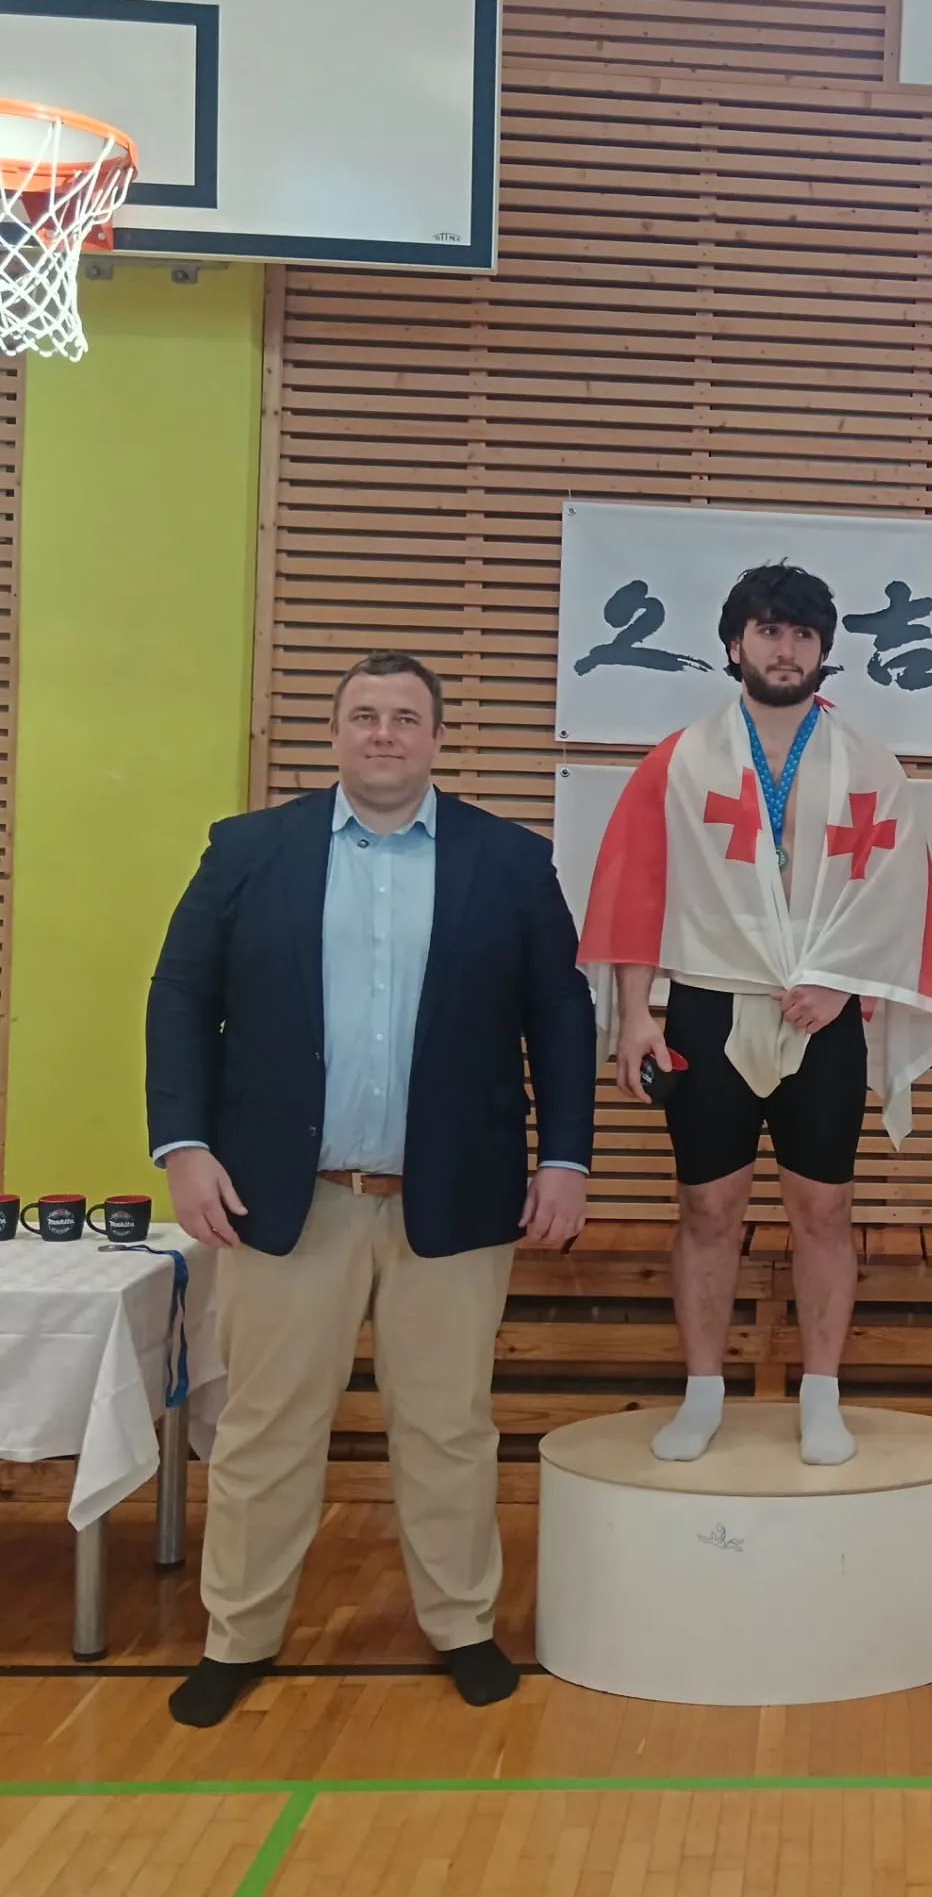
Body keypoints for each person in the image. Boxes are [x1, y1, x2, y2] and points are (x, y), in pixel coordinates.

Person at [145, 651, 596, 1728]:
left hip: (456, 1196)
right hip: (282, 1195)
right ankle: (237, 1635)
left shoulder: (510, 860)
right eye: (362, 716)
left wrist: (567, 1159)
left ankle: (462, 1624)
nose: (383, 734)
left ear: (437, 737)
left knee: (446, 1424)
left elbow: (562, 1018)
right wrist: (184, 1145)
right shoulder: (249, 850)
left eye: (405, 717)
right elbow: (179, 996)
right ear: (334, 733)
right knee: (265, 1425)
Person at [578, 563, 932, 1467]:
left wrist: (842, 983)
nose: (784, 649)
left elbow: (896, 894)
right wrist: (638, 1017)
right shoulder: (679, 761)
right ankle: (703, 1388)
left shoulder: (868, 764)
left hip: (821, 1014)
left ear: (824, 650)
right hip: (709, 1004)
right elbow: (637, 892)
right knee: (707, 1209)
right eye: (766, 631)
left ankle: (821, 1392)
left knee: (823, 1210)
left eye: (800, 635)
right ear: (733, 644)